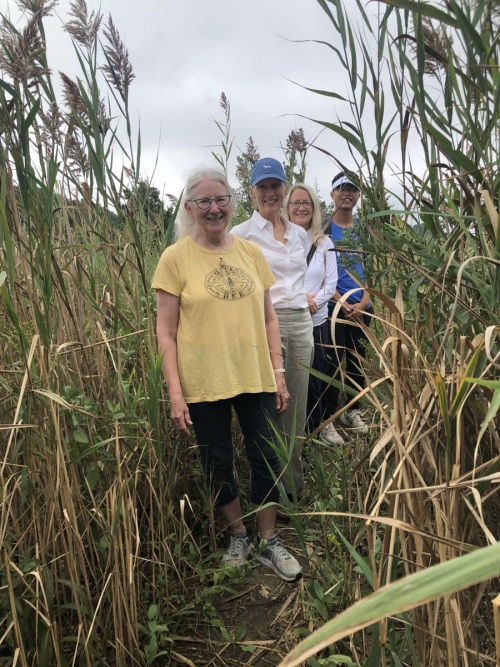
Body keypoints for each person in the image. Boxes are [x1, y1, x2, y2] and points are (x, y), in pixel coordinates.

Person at [152, 167, 302, 582]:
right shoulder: (175, 258)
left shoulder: (251, 253)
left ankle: (269, 540)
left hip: (255, 374)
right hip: (204, 380)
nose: (214, 208)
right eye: (204, 201)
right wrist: (176, 394)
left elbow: (269, 318)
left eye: (221, 199)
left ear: (232, 203)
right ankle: (238, 535)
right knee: (217, 463)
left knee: (267, 456)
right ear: (189, 208)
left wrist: (279, 373)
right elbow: (165, 333)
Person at [230, 158, 313, 498]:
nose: (269, 193)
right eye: (262, 186)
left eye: (275, 185)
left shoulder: (299, 234)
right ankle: (268, 489)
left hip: (301, 323)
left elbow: (301, 280)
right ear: (251, 191)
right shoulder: (240, 235)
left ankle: (292, 486)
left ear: (284, 188)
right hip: (264, 323)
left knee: (296, 406)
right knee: (267, 406)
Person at [284, 183, 344, 445]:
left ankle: (315, 432)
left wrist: (311, 303)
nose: (301, 208)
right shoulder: (280, 241)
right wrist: (300, 301)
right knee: (290, 382)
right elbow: (276, 281)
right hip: (288, 322)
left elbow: (331, 284)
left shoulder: (324, 243)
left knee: (315, 381)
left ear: (314, 208)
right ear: (287, 207)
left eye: (306, 203)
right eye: (295, 202)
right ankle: (290, 435)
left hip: (316, 323)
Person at [322, 172, 372, 436]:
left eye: (352, 189)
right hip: (333, 308)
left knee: (357, 361)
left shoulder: (364, 230)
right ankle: (329, 417)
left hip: (362, 308)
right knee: (331, 363)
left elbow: (372, 269)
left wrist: (364, 302)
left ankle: (353, 410)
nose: (347, 194)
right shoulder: (323, 229)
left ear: (358, 195)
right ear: (332, 194)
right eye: (341, 188)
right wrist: (340, 301)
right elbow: (317, 273)